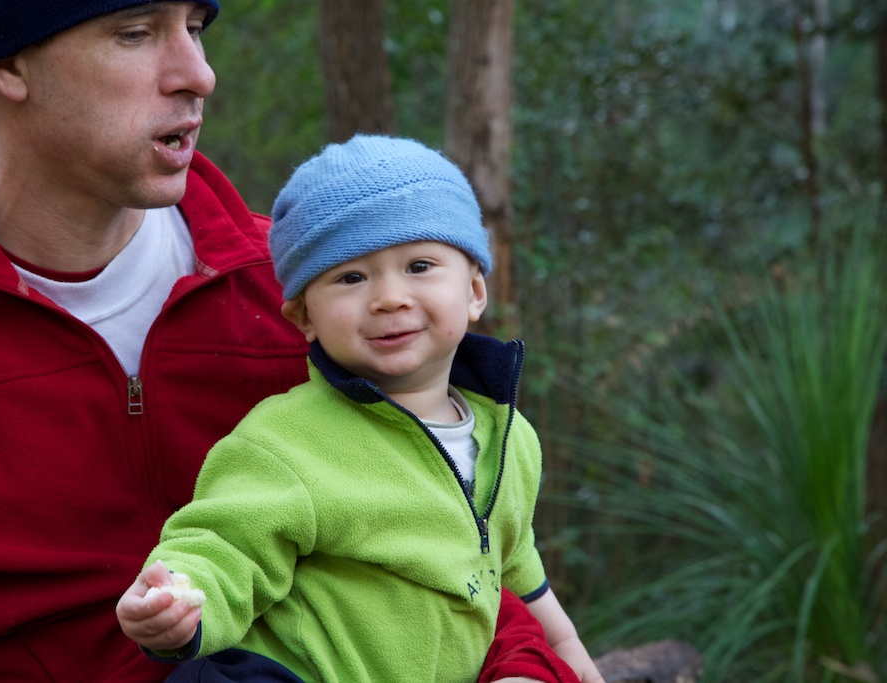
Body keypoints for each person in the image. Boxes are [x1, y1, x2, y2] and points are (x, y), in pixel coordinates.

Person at [0, 1, 582, 681]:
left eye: (196, 27)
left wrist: (526, 668)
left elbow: (466, 566)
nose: (199, 75)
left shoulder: (323, 298)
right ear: (5, 64)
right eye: (136, 32)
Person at [117, 135, 603, 683]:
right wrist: (180, 600)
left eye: (419, 265)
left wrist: (569, 650)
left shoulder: (510, 438)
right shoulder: (288, 438)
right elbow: (225, 543)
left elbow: (514, 564)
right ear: (304, 317)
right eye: (351, 277)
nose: (389, 297)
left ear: (473, 291)